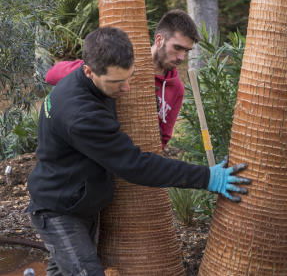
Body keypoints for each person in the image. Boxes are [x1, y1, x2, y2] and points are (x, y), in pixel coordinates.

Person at [26, 26, 251, 276]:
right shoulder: (81, 116)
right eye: (116, 82)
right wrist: (207, 177)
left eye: (129, 77)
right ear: (88, 71)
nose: (126, 89)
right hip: (59, 209)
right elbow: (136, 165)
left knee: (62, 271)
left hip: (79, 197)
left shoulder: (88, 74)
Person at [45, 9, 200, 150]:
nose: (181, 57)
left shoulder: (176, 88)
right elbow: (52, 75)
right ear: (159, 40)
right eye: (177, 48)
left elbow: (164, 138)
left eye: (186, 51)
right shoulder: (121, 61)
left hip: (133, 162)